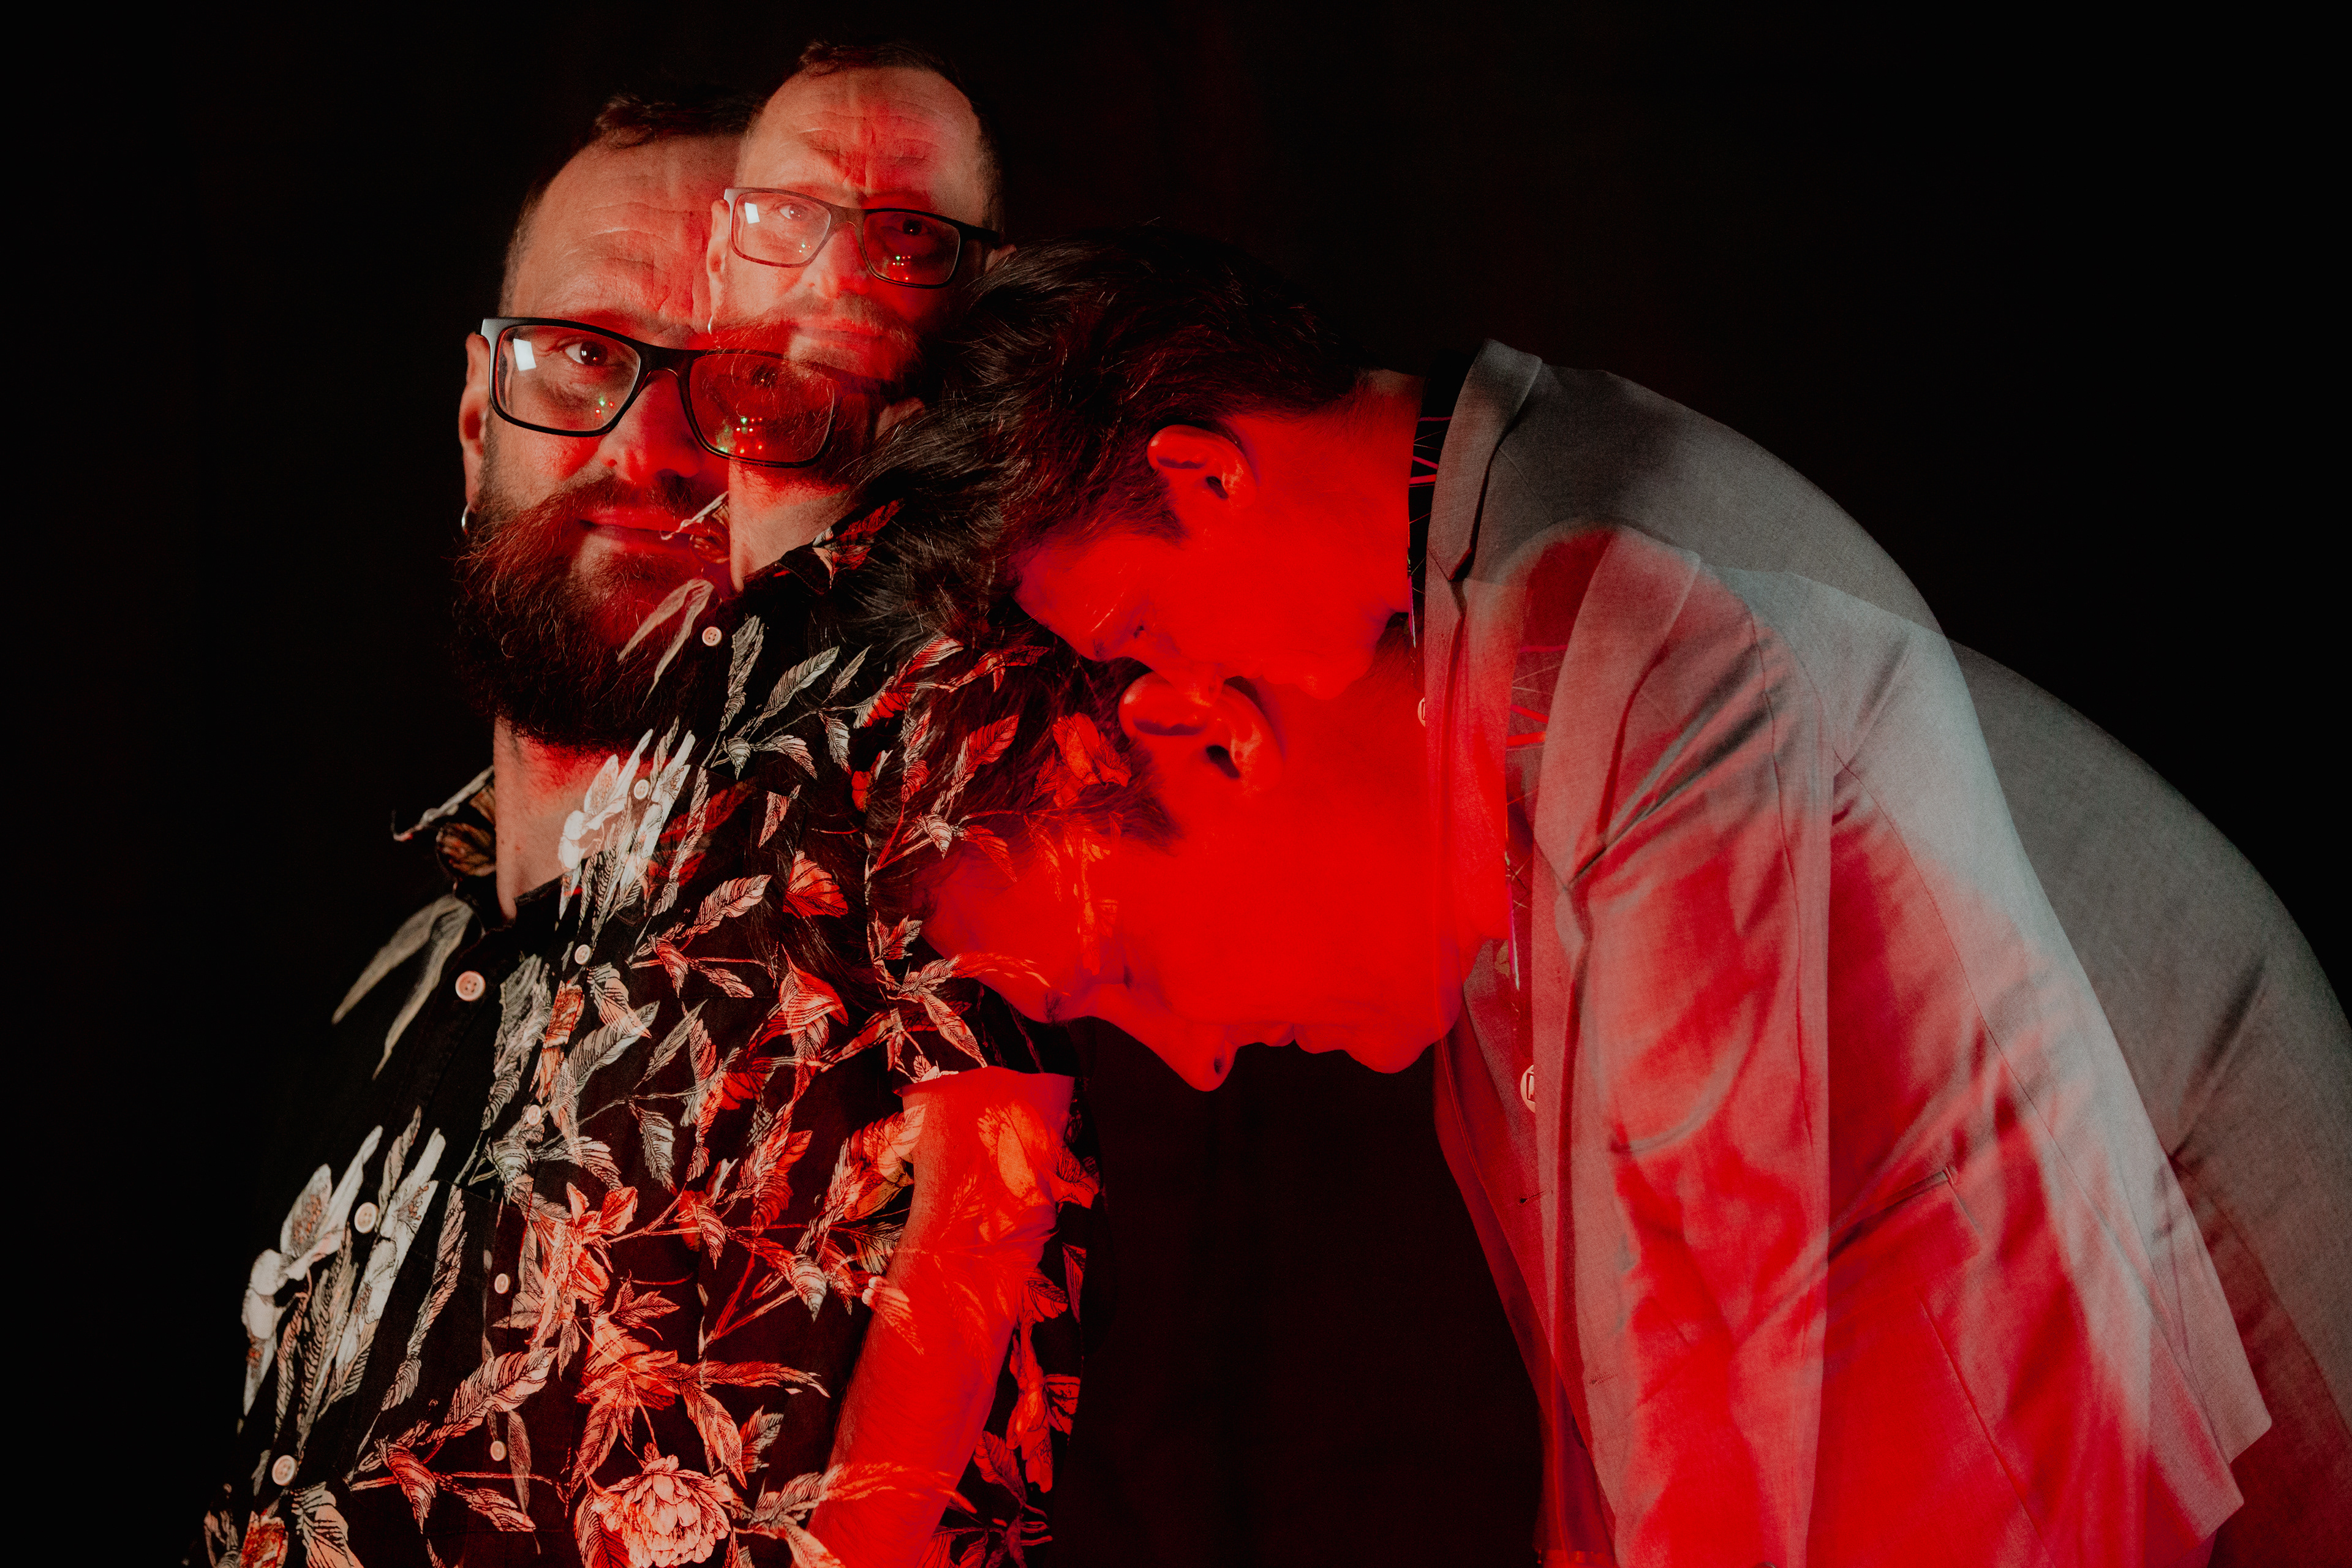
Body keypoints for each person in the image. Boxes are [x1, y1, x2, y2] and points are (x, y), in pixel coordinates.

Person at [857, 227, 2309, 1565]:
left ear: (1205, 476)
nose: (1170, 679)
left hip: (2215, 1269)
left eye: (1139, 632)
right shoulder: (1496, 648)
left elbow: (1770, 1310)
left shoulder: (1606, 606)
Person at [200, 56, 1090, 1568]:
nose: (647, 451)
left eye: (745, 381)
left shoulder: (911, 938)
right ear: (474, 418)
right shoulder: (382, 991)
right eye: (575, 357)